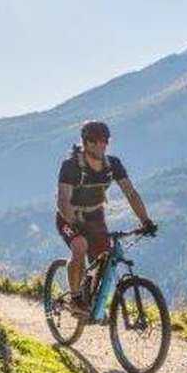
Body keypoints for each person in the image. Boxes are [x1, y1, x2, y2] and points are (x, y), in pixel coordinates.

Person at [56, 120, 156, 314]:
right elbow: (62, 201)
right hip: (69, 216)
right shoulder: (71, 166)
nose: (100, 145)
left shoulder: (113, 165)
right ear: (85, 142)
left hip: (95, 215)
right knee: (80, 246)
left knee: (103, 257)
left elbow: (131, 193)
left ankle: (90, 299)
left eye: (105, 141)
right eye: (94, 141)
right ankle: (75, 298)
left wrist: (146, 221)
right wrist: (74, 222)